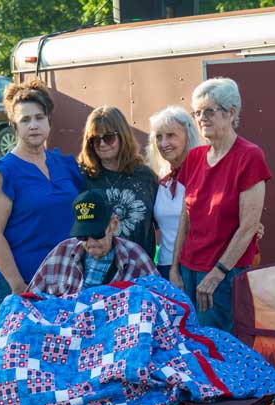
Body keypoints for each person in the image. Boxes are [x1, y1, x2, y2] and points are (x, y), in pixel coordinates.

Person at [167, 77, 269, 405]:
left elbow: (248, 226)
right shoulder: (195, 157)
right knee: (190, 355)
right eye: (197, 113)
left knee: (217, 355)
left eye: (210, 111)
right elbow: (186, 216)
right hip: (189, 270)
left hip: (225, 276)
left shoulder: (249, 156)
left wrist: (217, 273)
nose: (202, 119)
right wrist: (175, 266)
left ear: (231, 113)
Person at [0, 79, 83, 309]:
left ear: (49, 121)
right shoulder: (3, 172)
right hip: (19, 281)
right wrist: (17, 285)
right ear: (14, 126)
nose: (33, 125)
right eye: (25, 120)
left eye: (39, 118)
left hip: (64, 279)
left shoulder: (64, 164)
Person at [28, 190, 157, 296]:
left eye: (97, 233)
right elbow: (29, 301)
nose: (90, 241)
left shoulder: (135, 257)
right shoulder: (61, 252)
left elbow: (160, 301)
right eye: (83, 235)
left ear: (114, 224)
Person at [79, 106, 160, 259]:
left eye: (108, 137)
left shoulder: (145, 177)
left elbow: (165, 222)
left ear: (122, 136)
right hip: (99, 268)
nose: (102, 144)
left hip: (139, 267)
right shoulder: (84, 177)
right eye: (95, 140)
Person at [146, 106, 201, 279]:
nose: (163, 144)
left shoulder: (203, 174)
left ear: (188, 136)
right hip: (165, 267)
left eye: (171, 135)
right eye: (159, 137)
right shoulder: (162, 180)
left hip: (196, 267)